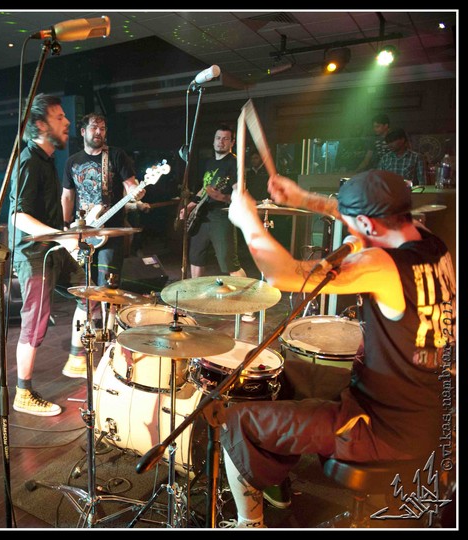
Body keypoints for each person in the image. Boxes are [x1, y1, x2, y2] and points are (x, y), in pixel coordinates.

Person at [215, 169, 455, 528]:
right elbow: (362, 218)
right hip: (427, 411)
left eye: (354, 226)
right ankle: (276, 482)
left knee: (238, 421)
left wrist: (247, 220)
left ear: (368, 224)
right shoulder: (431, 243)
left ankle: (249, 524)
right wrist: (301, 199)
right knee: (290, 377)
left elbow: (284, 274)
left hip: (384, 427)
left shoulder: (382, 265)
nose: (350, 233)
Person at [8, 93, 89, 416]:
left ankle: (75, 358)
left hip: (52, 247)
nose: (67, 121)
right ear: (40, 125)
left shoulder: (47, 160)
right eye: (59, 117)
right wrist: (63, 238)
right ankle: (23, 393)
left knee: (88, 292)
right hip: (33, 253)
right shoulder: (28, 161)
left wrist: (71, 229)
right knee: (35, 323)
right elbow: (18, 216)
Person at [60, 112, 144, 378]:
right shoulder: (72, 162)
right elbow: (67, 196)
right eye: (94, 127)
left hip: (111, 234)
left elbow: (131, 186)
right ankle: (80, 353)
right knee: (85, 292)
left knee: (109, 292)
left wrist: (136, 192)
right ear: (83, 131)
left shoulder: (116, 156)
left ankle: (111, 349)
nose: (99, 131)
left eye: (103, 128)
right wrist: (66, 228)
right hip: (84, 234)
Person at [182, 124, 254, 321]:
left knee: (229, 260)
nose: (220, 142)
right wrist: (190, 206)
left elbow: (240, 194)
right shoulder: (209, 162)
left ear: (232, 142)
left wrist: (221, 197)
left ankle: (249, 305)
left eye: (225, 139)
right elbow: (203, 190)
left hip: (221, 215)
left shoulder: (234, 164)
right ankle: (195, 300)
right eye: (218, 138)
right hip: (202, 214)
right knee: (195, 257)